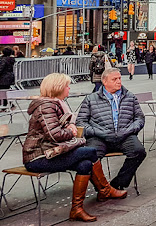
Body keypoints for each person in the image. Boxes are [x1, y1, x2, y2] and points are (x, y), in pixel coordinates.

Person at [23, 73, 127, 222]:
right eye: (67, 86)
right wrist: (71, 131)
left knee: (85, 164)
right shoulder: (46, 106)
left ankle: (77, 209)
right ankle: (105, 190)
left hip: (51, 152)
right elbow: (55, 135)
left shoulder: (55, 104)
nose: (69, 88)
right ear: (58, 88)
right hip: (38, 157)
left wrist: (69, 126)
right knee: (90, 151)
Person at [77, 68, 146, 191]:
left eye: (119, 78)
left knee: (139, 151)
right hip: (99, 137)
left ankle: (117, 184)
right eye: (114, 79)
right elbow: (81, 123)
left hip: (125, 135)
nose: (119, 81)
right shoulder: (91, 99)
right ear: (104, 81)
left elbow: (140, 118)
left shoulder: (129, 96)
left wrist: (130, 130)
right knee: (90, 158)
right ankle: (102, 188)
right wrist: (96, 132)